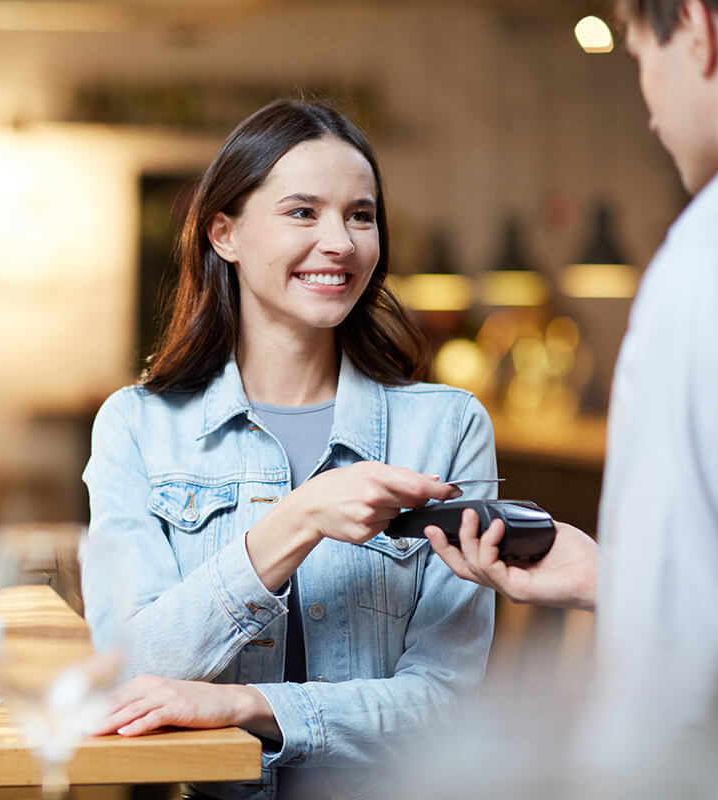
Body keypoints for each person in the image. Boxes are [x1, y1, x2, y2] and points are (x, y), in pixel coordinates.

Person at [81, 99, 498, 800]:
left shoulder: (448, 429)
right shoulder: (137, 425)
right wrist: (296, 520)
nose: (339, 241)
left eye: (360, 215)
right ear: (225, 234)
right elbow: (124, 673)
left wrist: (254, 708)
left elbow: (446, 705)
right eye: (303, 213)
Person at [425, 0, 718, 766]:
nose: (648, 108)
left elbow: (671, 670)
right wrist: (617, 577)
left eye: (638, 59)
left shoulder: (709, 264)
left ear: (695, 31)